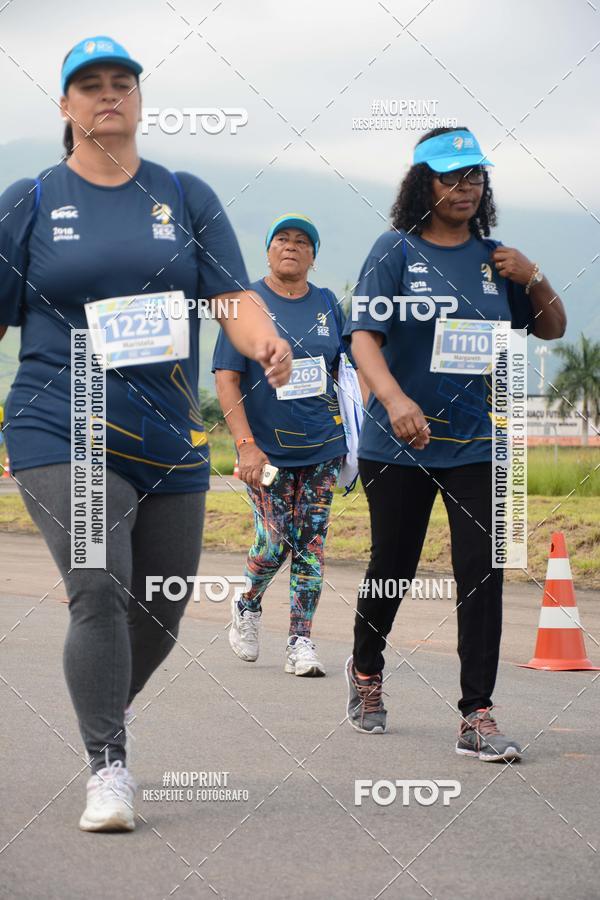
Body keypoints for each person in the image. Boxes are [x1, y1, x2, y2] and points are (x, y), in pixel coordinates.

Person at [0, 36, 291, 832]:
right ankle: (109, 767)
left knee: (160, 608)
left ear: (138, 97)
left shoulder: (184, 195)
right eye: (88, 85)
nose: (107, 95)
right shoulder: (28, 202)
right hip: (62, 426)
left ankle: (102, 705)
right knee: (99, 587)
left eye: (121, 83)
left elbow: (233, 297)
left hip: (166, 436)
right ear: (64, 105)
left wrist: (266, 339)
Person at [343, 127, 566, 760]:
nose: (465, 188)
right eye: (451, 177)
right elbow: (363, 337)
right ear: (424, 184)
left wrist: (537, 275)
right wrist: (394, 399)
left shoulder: (497, 260)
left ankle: (477, 715)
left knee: (482, 574)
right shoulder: (394, 252)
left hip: (477, 444)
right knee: (394, 566)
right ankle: (365, 672)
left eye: (475, 177)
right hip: (398, 445)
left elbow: (550, 327)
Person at [212, 214, 348, 677]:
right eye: (282, 239)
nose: (291, 246)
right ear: (268, 250)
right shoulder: (245, 303)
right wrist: (246, 446)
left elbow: (346, 374)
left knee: (311, 545)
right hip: (265, 454)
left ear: (313, 255)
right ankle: (247, 603)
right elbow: (227, 379)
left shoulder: (328, 303)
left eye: (302, 241)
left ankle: (300, 642)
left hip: (323, 447)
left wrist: (357, 439)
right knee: (274, 543)